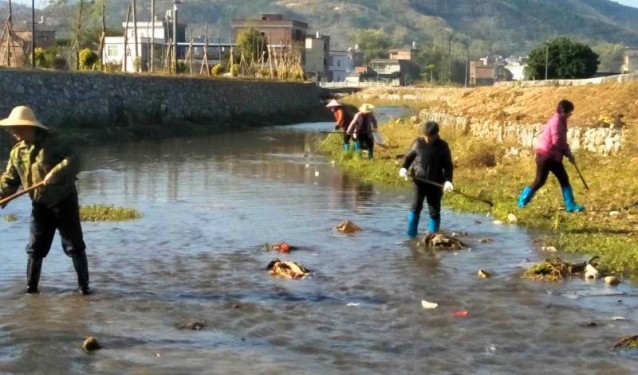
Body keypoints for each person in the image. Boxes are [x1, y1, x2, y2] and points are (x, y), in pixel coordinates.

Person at [0, 106, 91, 295]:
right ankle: (31, 290)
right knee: (35, 249)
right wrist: (2, 196)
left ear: (28, 127)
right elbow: (10, 180)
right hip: (40, 205)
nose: (13, 132)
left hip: (64, 201)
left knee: (74, 246)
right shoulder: (17, 152)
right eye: (12, 129)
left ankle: (84, 289)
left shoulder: (55, 142)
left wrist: (56, 173)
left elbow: (77, 158)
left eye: (16, 128)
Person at [517, 99, 584, 212]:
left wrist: (567, 152)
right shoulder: (556, 121)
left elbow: (561, 140)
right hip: (546, 156)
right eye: (569, 113)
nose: (570, 115)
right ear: (564, 112)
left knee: (563, 178)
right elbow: (557, 141)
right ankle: (521, 203)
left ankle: (570, 205)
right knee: (540, 181)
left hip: (553, 156)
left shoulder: (561, 120)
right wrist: (567, 153)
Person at [399, 121, 454, 236]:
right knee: (416, 207)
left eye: (430, 136)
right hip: (419, 181)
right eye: (425, 136)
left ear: (436, 134)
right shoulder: (418, 143)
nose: (427, 139)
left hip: (435, 183)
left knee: (434, 210)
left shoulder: (443, 146)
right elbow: (408, 158)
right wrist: (404, 168)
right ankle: (411, 234)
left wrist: (448, 180)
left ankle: (433, 236)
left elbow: (448, 165)